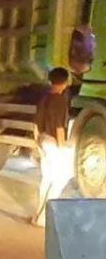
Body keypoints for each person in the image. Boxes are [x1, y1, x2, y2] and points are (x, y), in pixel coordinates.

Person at [32, 67, 73, 227]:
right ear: (65, 82)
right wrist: (63, 147)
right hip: (53, 142)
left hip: (42, 140)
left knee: (46, 179)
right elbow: (59, 127)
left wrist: (38, 144)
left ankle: (37, 215)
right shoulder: (60, 101)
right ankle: (44, 217)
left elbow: (35, 124)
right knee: (61, 177)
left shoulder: (44, 99)